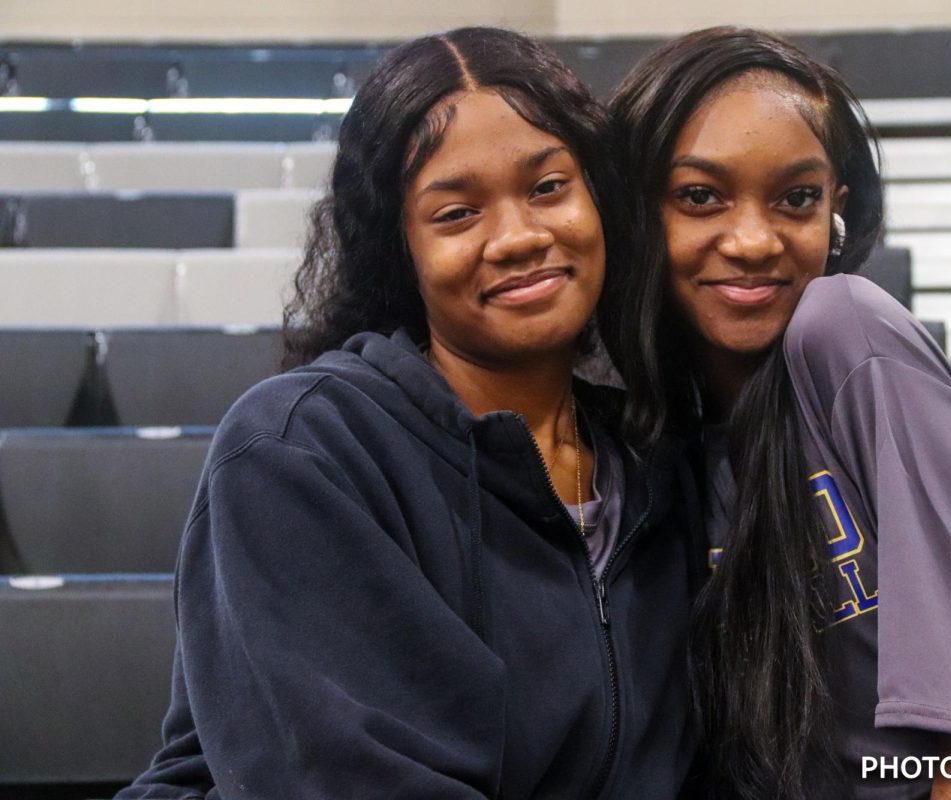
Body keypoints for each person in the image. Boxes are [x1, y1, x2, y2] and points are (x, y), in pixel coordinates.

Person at [117, 27, 703, 800]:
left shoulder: (655, 463)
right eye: (458, 213)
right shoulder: (302, 449)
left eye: (548, 187)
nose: (519, 237)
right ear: (402, 250)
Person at [608, 27, 951, 800]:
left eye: (796, 198)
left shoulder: (847, 331)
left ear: (836, 211)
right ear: (637, 213)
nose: (755, 239)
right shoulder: (654, 442)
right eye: (701, 197)